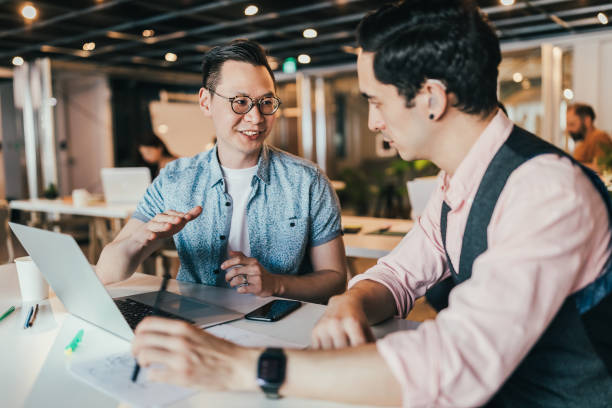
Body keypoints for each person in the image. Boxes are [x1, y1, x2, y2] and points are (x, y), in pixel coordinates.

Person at [131, 1, 612, 406]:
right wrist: (353, 301)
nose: (373, 123)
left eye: (376, 101)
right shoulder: (459, 181)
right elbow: (399, 274)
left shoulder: (546, 192)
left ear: (431, 98)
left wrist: (244, 366)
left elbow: (457, 363)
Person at [96, 39, 346, 304]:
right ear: (206, 102)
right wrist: (142, 239)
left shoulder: (308, 181)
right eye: (239, 102)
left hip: (280, 326)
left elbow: (335, 279)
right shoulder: (175, 179)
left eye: (266, 102)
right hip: (195, 324)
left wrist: (277, 284)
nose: (256, 117)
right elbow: (108, 271)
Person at [567, 102, 612, 171]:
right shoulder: (582, 143)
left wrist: (572, 165)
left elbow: (602, 167)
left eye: (572, 124)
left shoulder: (599, 137)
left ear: (587, 121)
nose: (568, 129)